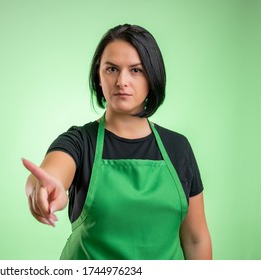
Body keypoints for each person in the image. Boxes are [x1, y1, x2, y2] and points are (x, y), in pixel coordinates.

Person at [22, 24, 212, 260]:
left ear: (153, 76)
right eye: (112, 69)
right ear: (98, 76)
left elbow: (196, 239)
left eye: (136, 70)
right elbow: (52, 172)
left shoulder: (178, 148)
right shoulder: (80, 142)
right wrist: (43, 189)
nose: (122, 81)